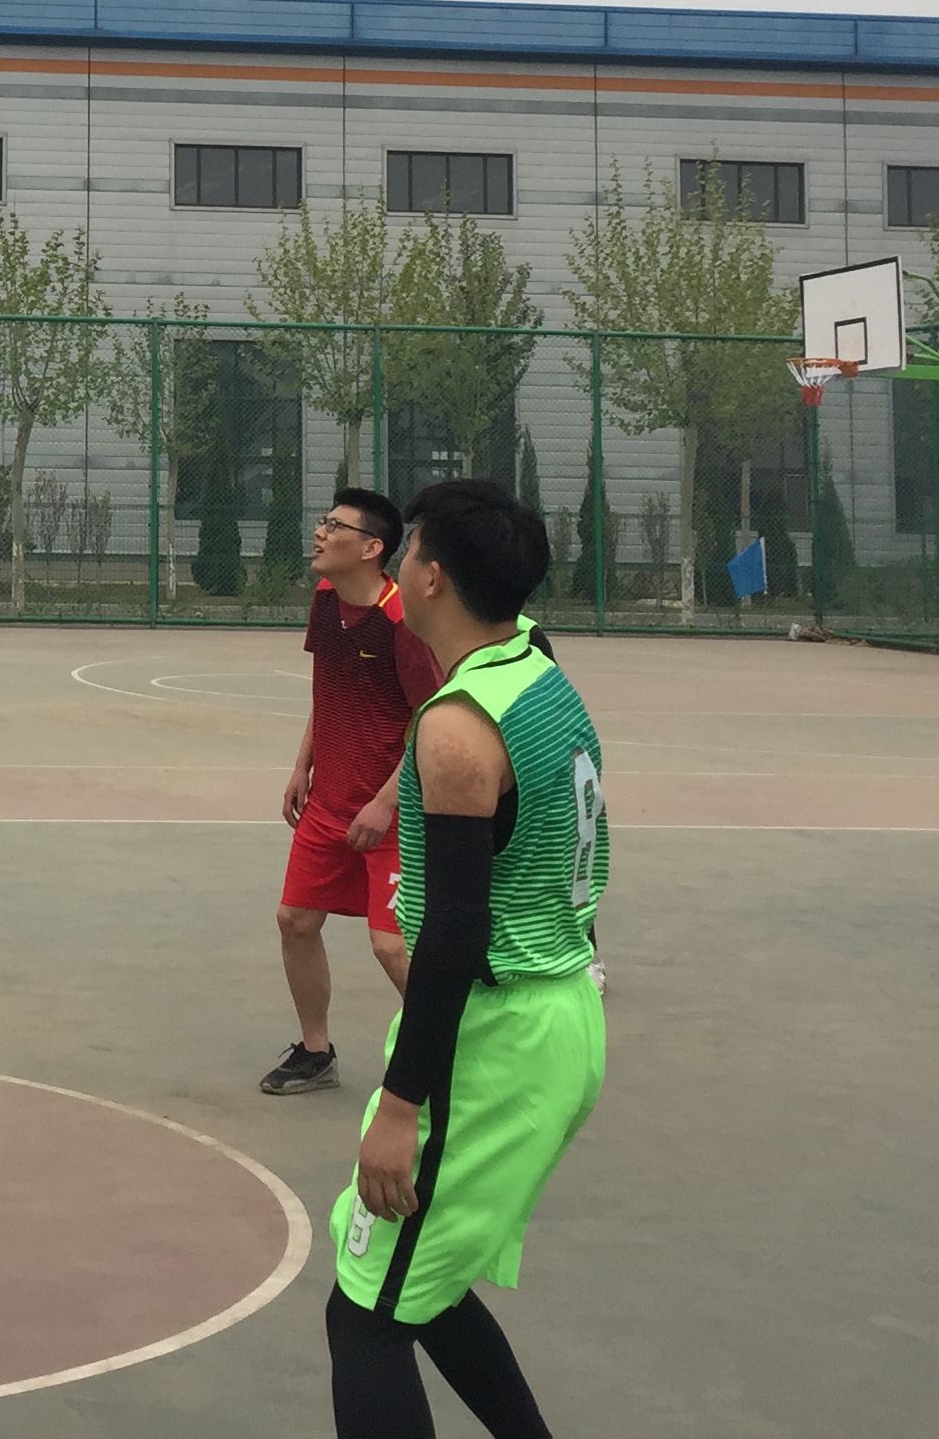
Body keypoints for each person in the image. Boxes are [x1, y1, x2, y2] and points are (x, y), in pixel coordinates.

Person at [328, 478, 608, 1439]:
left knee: (365, 1315)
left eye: (409, 549)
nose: (401, 563)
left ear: (432, 577)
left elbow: (453, 933)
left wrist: (400, 1104)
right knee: (428, 1290)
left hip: (497, 1038)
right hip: (562, 1009)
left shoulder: (458, 729)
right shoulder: (533, 660)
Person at [263, 486, 438, 1096]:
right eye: (323, 521)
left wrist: (386, 802)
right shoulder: (325, 598)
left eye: (335, 525)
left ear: (371, 549)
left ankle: (458, 1057)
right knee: (295, 921)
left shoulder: (401, 621)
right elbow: (329, 687)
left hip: (392, 812)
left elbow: (431, 719)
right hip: (329, 802)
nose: (320, 532)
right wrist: (301, 767)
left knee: (391, 947)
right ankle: (316, 1053)